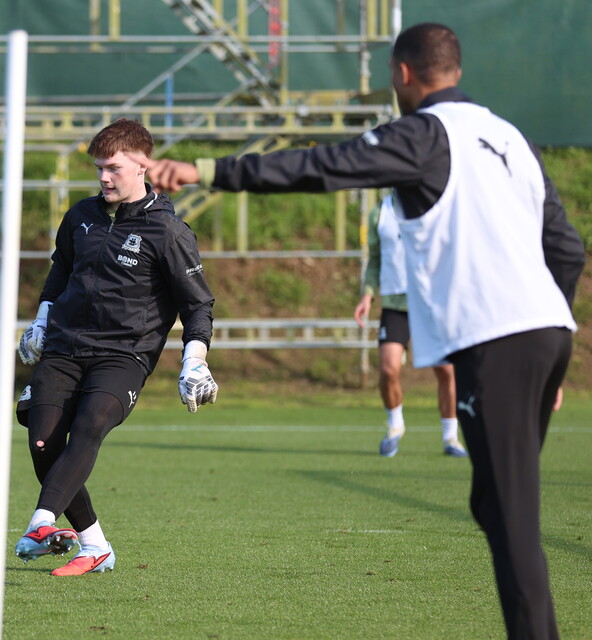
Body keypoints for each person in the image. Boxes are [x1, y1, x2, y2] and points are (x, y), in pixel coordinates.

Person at [136, 23, 584, 639]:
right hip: (545, 332)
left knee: (511, 517)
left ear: (402, 74)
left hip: (500, 338)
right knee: (496, 504)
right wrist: (552, 343)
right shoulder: (511, 138)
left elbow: (323, 165)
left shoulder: (424, 134)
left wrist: (206, 169)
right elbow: (565, 247)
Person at [13, 118, 219, 577]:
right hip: (64, 348)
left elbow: (198, 305)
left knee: (90, 424)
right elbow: (59, 273)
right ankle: (95, 546)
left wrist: (194, 362)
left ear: (143, 166)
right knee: (44, 443)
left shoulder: (168, 232)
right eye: (98, 168)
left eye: (113, 168)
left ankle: (42, 524)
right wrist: (42, 320)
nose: (103, 177)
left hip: (123, 355)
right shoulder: (80, 217)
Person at [354, 193, 467, 458]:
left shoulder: (431, 205)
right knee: (388, 368)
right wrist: (367, 295)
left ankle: (450, 436)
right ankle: (395, 426)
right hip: (395, 304)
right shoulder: (379, 213)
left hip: (429, 302)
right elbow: (375, 260)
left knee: (446, 371)